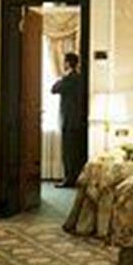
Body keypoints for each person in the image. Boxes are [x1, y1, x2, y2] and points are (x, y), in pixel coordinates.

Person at [51, 52, 86, 188]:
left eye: (64, 62)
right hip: (78, 120)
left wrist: (63, 77)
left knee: (68, 152)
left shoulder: (68, 79)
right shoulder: (81, 78)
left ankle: (68, 179)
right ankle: (74, 178)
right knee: (75, 152)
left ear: (67, 63)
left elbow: (53, 89)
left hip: (69, 120)